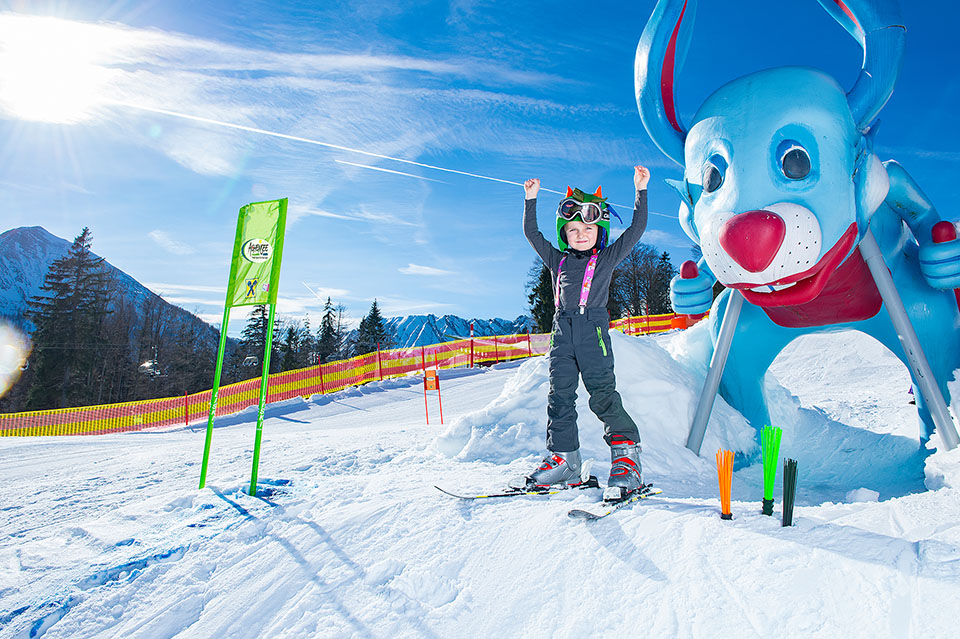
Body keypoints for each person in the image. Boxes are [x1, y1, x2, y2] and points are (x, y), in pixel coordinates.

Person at [514, 165, 651, 500]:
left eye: (587, 228)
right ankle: (565, 460)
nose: (580, 233)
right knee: (559, 397)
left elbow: (636, 230)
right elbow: (533, 234)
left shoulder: (606, 259)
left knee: (602, 394)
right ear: (564, 233)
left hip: (593, 330)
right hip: (561, 332)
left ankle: (626, 460)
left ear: (599, 231)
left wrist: (640, 191)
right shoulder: (556, 260)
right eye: (573, 229)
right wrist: (530, 200)